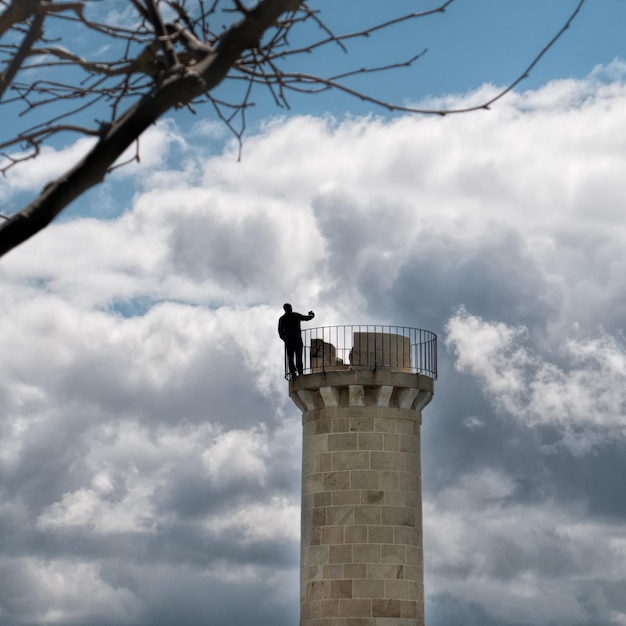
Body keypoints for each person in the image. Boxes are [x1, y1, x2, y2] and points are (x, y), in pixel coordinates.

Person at [278, 303, 315, 378]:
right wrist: (312, 315)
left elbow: (280, 332)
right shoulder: (295, 315)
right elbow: (306, 318)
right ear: (290, 308)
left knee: (291, 356)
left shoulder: (282, 319)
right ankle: (300, 371)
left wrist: (285, 339)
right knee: (298, 355)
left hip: (288, 340)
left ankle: (293, 372)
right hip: (297, 338)